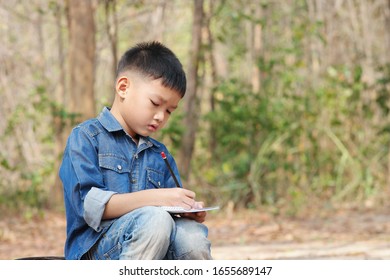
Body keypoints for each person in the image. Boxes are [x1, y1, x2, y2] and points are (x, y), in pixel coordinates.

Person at [59, 41, 212, 260]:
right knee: (154, 218)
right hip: (97, 250)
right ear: (123, 87)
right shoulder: (86, 138)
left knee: (192, 235)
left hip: (152, 246)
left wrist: (185, 209)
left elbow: (169, 208)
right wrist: (156, 198)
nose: (161, 116)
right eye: (155, 103)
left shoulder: (160, 154)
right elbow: (89, 206)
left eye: (169, 111)